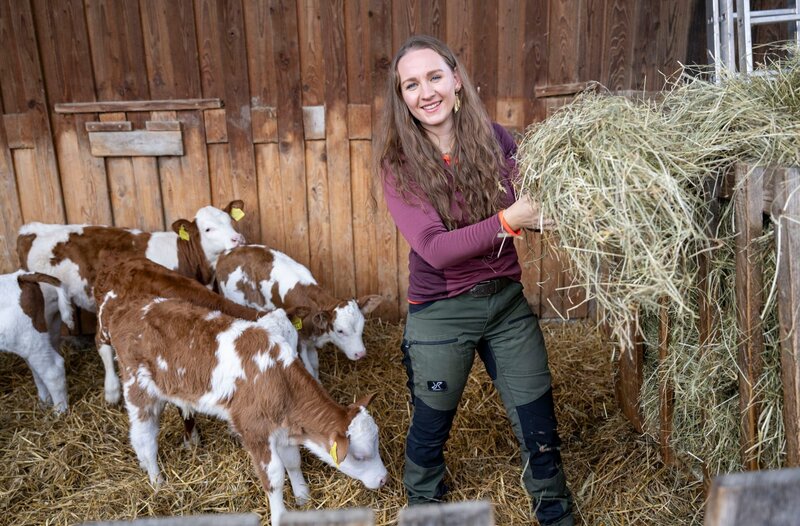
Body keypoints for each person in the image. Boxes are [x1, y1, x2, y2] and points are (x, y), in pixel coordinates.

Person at [374, 35, 574, 525]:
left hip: (506, 304)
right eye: (411, 84)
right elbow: (436, 249)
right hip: (442, 311)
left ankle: (556, 514)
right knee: (430, 425)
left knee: (538, 422)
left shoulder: (496, 139)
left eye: (435, 77)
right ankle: (423, 507)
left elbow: (537, 202)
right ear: (402, 99)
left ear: (456, 79)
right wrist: (511, 219)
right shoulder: (398, 165)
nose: (426, 92)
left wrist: (564, 210)